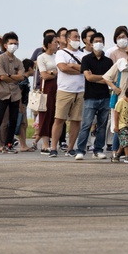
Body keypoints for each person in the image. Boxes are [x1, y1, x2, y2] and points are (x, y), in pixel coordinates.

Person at [75, 32, 113, 160]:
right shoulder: (86, 59)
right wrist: (103, 78)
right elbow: (88, 77)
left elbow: (110, 79)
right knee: (86, 124)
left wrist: (97, 77)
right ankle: (80, 150)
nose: (98, 43)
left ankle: (98, 150)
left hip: (105, 96)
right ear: (90, 44)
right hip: (90, 97)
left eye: (100, 41)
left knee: (102, 126)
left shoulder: (108, 61)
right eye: (96, 41)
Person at [0, 32, 26, 155]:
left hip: (15, 94)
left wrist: (9, 76)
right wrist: (13, 77)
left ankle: (9, 144)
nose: (13, 45)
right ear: (5, 45)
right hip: (2, 93)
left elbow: (22, 77)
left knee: (13, 121)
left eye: (15, 43)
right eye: (11, 43)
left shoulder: (18, 61)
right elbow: (1, 76)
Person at [51, 28, 87, 158]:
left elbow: (86, 69)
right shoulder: (61, 53)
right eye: (75, 37)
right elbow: (63, 68)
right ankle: (53, 147)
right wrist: (79, 69)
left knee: (76, 121)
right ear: (67, 40)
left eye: (78, 37)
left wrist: (72, 66)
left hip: (80, 91)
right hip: (64, 91)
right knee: (59, 119)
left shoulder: (83, 55)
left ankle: (71, 148)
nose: (77, 40)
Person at [103, 43, 128, 161]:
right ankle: (116, 152)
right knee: (118, 127)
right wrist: (114, 88)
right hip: (121, 100)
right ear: (127, 54)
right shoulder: (120, 63)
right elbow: (106, 77)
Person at [34, 33, 60, 154]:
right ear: (49, 44)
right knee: (46, 115)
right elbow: (43, 75)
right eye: (55, 42)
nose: (57, 44)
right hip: (46, 88)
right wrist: (53, 73)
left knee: (55, 115)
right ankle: (45, 144)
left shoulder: (57, 56)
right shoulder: (42, 57)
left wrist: (52, 72)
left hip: (58, 87)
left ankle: (52, 141)